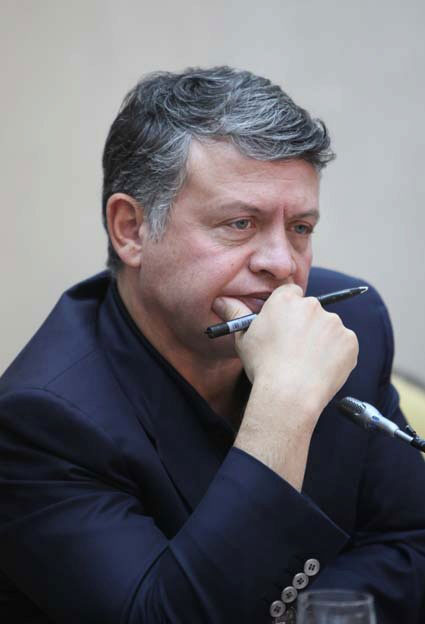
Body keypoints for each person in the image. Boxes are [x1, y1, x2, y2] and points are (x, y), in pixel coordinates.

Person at [0, 66, 424, 624]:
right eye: (240, 223)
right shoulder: (40, 421)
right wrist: (284, 407)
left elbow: (410, 545)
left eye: (300, 227)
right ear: (131, 229)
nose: (282, 264)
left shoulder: (348, 325)